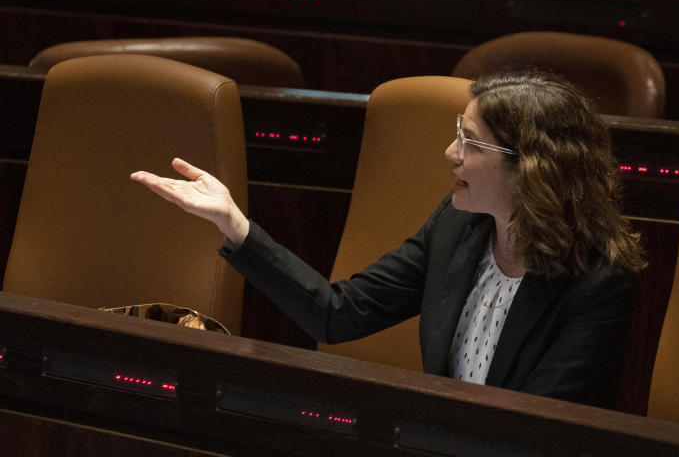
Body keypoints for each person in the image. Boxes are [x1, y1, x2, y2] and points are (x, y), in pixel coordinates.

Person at [131, 71, 646, 407]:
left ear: (529, 168)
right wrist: (232, 223)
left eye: (469, 141)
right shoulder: (459, 226)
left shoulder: (598, 280)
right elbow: (338, 312)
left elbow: (538, 435)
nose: (450, 153)